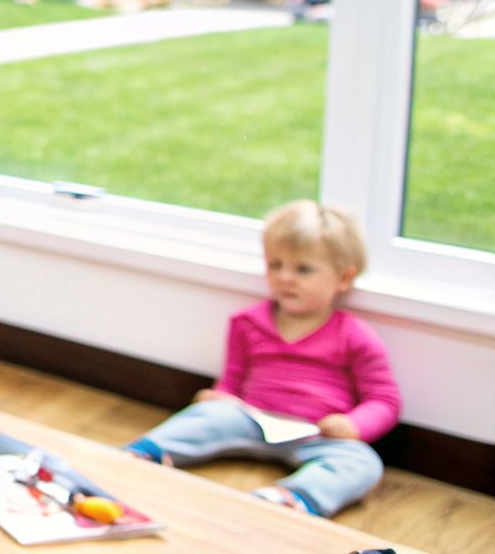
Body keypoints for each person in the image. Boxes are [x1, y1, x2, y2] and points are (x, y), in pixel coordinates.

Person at [124, 200, 400, 518]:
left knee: (362, 463)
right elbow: (232, 379)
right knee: (206, 416)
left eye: (303, 269)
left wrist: (354, 425)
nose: (285, 277)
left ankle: (292, 498)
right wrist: (220, 398)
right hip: (250, 419)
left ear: (344, 277)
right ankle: (143, 454)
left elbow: (384, 400)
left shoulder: (354, 335)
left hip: (316, 433)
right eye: (275, 265)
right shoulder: (247, 323)